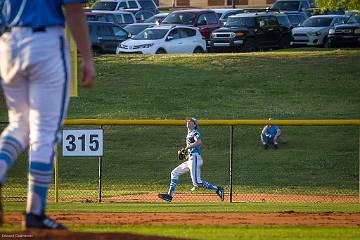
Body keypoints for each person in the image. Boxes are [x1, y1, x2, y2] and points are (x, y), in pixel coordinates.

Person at [0, 0, 96, 229]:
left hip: (7, 45)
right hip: (44, 43)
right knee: (44, 132)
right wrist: (88, 60)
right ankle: (35, 213)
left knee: (18, 126)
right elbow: (73, 9)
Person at [158, 117, 224, 202]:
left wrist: (187, 147)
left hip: (195, 158)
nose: (188, 122)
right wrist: (185, 155)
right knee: (174, 173)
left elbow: (199, 142)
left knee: (197, 183)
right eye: (188, 121)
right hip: (190, 159)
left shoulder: (195, 133)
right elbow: (190, 149)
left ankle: (218, 189)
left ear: (195, 124)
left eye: (191, 121)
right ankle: (169, 195)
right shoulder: (188, 134)